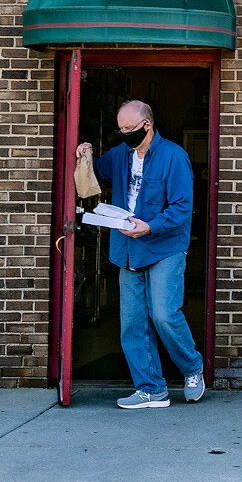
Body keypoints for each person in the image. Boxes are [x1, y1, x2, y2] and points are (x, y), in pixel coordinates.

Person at [76, 99, 205, 409]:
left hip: (164, 247)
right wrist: (85, 151)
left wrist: (150, 226)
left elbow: (182, 207)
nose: (124, 134)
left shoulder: (174, 156)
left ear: (147, 125)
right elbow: (97, 171)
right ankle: (151, 390)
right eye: (120, 129)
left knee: (164, 314)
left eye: (129, 129)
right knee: (133, 323)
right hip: (128, 250)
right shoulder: (121, 154)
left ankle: (192, 369)